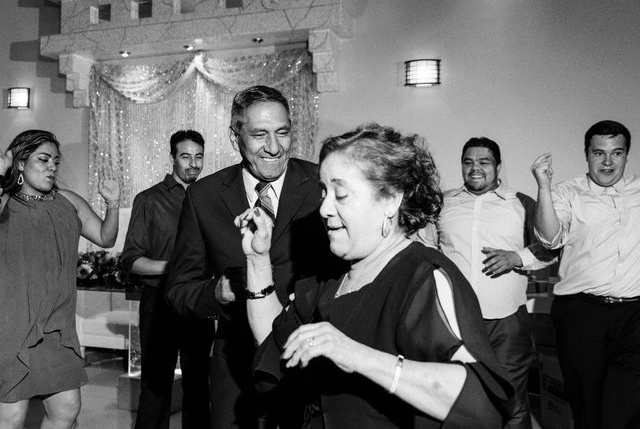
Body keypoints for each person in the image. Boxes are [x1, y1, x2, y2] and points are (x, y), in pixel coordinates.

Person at [236, 123, 514, 428]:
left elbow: (480, 403)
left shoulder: (424, 278)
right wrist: (257, 259)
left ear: (391, 200)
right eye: (324, 193)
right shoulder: (327, 278)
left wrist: (356, 355)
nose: (325, 208)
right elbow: (275, 346)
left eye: (340, 195)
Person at [165, 85, 337, 428]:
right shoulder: (204, 197)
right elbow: (178, 290)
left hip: (312, 360)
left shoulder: (323, 184)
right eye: (260, 134)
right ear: (235, 137)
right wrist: (217, 292)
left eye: (282, 132)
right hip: (236, 367)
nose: (274, 147)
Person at [416, 137, 556, 429]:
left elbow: (550, 248)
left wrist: (515, 257)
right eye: (468, 162)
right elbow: (426, 250)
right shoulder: (442, 203)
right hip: (454, 322)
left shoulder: (520, 202)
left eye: (484, 161)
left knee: (512, 402)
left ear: (498, 166)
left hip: (506, 323)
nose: (475, 168)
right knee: (459, 400)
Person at [0, 129, 120, 429]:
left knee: (67, 410)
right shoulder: (5, 202)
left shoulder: (68, 201)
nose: (52, 166)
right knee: (11, 418)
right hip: (11, 325)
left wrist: (113, 203)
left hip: (57, 327)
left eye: (56, 160)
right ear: (20, 163)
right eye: (43, 159)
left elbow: (106, 237)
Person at [531, 120, 640, 429]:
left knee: (626, 407)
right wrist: (543, 188)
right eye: (599, 153)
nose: (608, 162)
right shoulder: (568, 192)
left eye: (616, 153)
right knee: (587, 408)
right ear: (587, 155)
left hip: (633, 314)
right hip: (581, 313)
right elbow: (549, 240)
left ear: (626, 156)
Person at [120, 130, 214, 429]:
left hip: (198, 303)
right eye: (186, 156)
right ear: (172, 157)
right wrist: (175, 268)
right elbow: (131, 260)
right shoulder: (148, 200)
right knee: (156, 387)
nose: (193, 164)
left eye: (198, 156)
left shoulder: (209, 198)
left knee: (199, 386)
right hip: (158, 304)